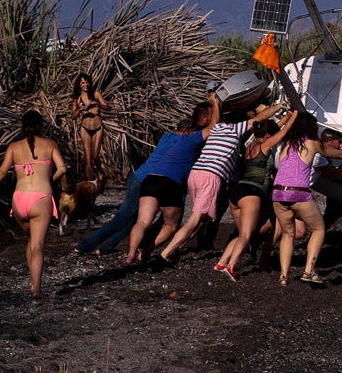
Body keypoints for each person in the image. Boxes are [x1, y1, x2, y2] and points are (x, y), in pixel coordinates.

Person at [75, 101, 213, 256]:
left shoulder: (167, 136)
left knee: (133, 222)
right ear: (186, 131)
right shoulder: (181, 141)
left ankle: (104, 248)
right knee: (120, 220)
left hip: (139, 177)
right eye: (192, 132)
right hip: (145, 181)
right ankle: (84, 246)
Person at [157, 101, 282, 263]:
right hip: (211, 176)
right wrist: (280, 106)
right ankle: (166, 253)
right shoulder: (235, 129)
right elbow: (261, 117)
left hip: (195, 174)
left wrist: (215, 102)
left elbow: (216, 118)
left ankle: (177, 248)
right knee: (195, 219)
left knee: (202, 218)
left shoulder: (216, 128)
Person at [0, 111, 67, 298]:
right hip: (40, 198)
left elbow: (2, 170)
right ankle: (36, 289)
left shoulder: (14, 146)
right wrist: (50, 178)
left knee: (30, 239)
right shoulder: (50, 144)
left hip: (19, 199)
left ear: (23, 126)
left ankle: (32, 281)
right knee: (37, 244)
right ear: (40, 126)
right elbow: (62, 168)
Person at [125, 97, 219, 265]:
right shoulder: (193, 138)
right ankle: (145, 252)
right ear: (203, 120)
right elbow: (213, 127)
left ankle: (131, 253)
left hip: (151, 179)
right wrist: (215, 104)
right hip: (170, 183)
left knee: (142, 221)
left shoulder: (178, 140)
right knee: (171, 225)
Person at [271, 111, 342, 286]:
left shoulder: (286, 143)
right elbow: (335, 154)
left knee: (287, 234)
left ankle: (283, 277)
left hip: (278, 193)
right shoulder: (313, 143)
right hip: (298, 193)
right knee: (318, 230)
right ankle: (309, 271)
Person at [214, 109, 297, 281]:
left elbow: (271, 130)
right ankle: (231, 267)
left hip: (237, 191)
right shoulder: (264, 146)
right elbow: (282, 133)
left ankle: (221, 262)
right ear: (267, 136)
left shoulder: (251, 144)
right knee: (246, 235)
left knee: (242, 234)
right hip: (251, 193)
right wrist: (294, 116)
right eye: (270, 135)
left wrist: (284, 118)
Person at [71, 73, 110, 179]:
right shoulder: (77, 99)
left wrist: (98, 104)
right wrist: (80, 110)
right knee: (88, 159)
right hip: (85, 128)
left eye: (87, 82)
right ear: (79, 84)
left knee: (95, 155)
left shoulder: (95, 94)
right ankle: (90, 182)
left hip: (97, 127)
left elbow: (108, 107)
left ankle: (99, 172)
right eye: (83, 83)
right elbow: (72, 116)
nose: (85, 85)